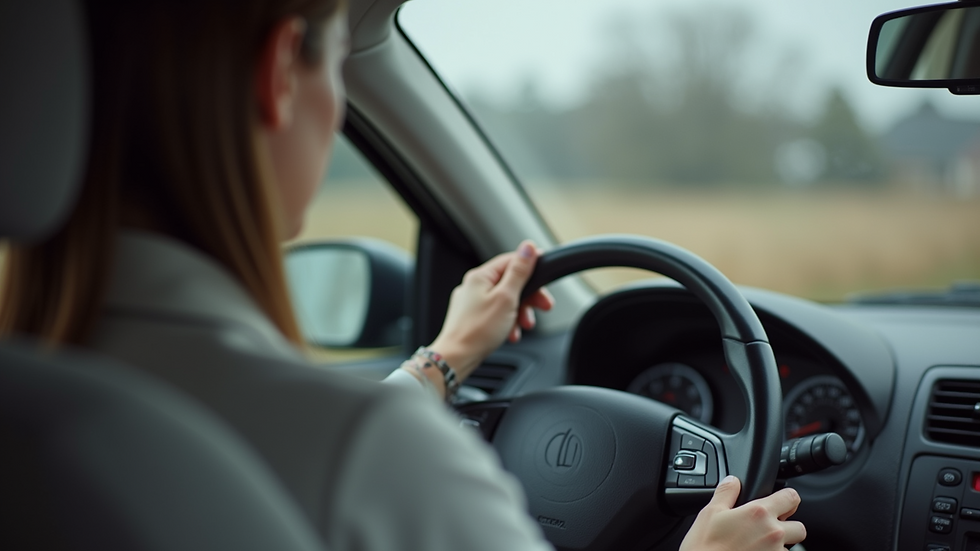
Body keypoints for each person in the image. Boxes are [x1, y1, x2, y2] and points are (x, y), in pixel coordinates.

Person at [0, 0, 806, 549]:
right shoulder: (375, 455)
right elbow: (326, 445)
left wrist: (445, 355)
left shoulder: (38, 395)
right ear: (282, 70)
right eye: (338, 71)